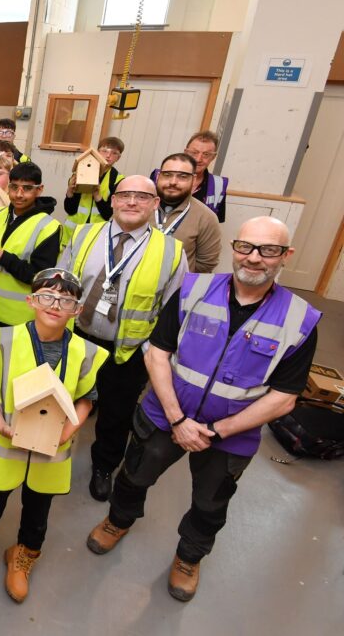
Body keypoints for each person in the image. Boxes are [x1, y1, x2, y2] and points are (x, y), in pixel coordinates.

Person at [86, 216, 319, 602]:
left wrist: (218, 431)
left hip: (231, 436)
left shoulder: (301, 319)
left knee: (210, 503)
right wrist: (178, 419)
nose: (254, 258)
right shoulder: (194, 290)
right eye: (246, 247)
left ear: (285, 256)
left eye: (269, 250)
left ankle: (189, 557)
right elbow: (158, 353)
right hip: (165, 416)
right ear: (234, 248)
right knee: (134, 475)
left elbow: (285, 396)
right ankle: (118, 521)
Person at [0, 269, 107, 602]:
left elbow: (86, 399)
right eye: (47, 296)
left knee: (38, 512)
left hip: (51, 452)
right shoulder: (3, 339)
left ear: (77, 310)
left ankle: (22, 556)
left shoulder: (85, 352)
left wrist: (68, 431)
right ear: (31, 300)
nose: (55, 305)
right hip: (3, 445)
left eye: (66, 300)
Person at [58, 175, 186, 501]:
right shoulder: (85, 234)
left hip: (128, 351)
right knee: (64, 401)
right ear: (112, 200)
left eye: (141, 197)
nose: (131, 202)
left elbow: (173, 312)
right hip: (78, 340)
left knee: (116, 414)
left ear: (155, 205)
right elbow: (61, 282)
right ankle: (48, 450)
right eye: (125, 195)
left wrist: (151, 352)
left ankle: (104, 466)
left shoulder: (172, 252)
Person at [0, 161, 61, 326]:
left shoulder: (48, 227)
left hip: (19, 317)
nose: (19, 194)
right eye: (14, 187)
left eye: (27, 188)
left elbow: (40, 278)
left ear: (39, 189)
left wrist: (3, 257)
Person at [152, 153, 222, 273]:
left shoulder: (206, 217)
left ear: (193, 180)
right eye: (167, 175)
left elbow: (206, 264)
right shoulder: (138, 205)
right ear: (158, 176)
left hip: (177, 290)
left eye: (182, 176)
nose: (173, 182)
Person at [150, 130, 228, 222]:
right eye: (194, 152)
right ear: (186, 152)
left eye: (206, 154)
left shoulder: (218, 186)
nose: (198, 159)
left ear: (213, 157)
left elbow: (215, 222)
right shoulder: (158, 176)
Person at [61, 136, 125, 248]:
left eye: (114, 153)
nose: (108, 155)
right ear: (97, 152)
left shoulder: (118, 179)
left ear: (118, 158)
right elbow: (69, 209)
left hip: (95, 237)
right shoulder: (82, 170)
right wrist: (69, 192)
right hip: (71, 235)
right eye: (104, 151)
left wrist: (97, 194)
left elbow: (107, 214)